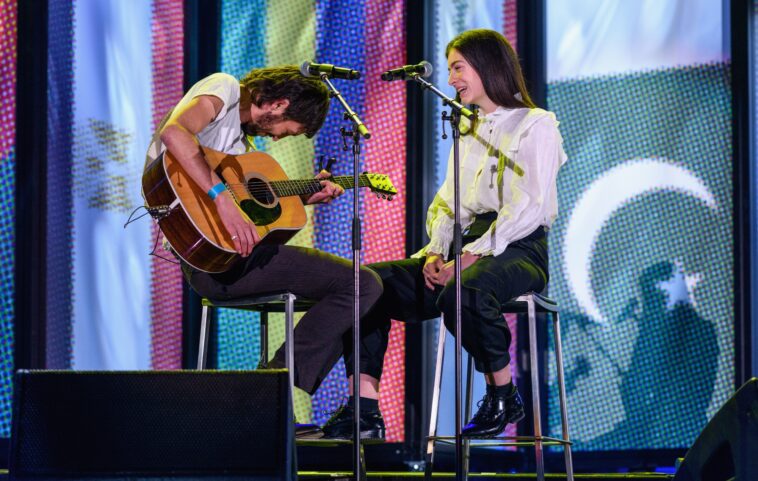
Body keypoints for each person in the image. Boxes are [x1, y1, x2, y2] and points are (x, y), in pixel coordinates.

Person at [321, 29, 567, 440]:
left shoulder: (535, 124)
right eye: (451, 69)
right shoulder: (467, 128)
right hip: (462, 245)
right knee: (365, 284)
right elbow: (448, 204)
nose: (451, 79)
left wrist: (470, 258)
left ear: (487, 66)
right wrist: (437, 252)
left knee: (463, 293)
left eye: (458, 67)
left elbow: (531, 206)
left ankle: (503, 395)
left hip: (517, 246)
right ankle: (363, 409)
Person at [144, 66, 384, 435]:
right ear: (278, 104)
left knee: (362, 286)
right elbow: (174, 133)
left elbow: (253, 218)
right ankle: (269, 390)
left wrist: (306, 197)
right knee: (362, 285)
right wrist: (220, 197)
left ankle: (272, 391)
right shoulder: (222, 88)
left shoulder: (241, 150)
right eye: (286, 129)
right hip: (209, 262)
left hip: (228, 257)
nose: (279, 138)